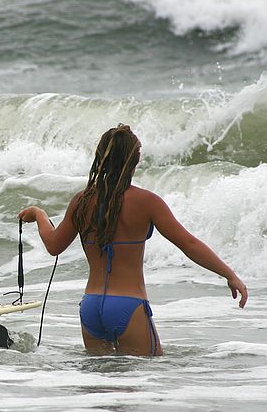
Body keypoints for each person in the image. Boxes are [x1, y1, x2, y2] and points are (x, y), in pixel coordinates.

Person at [18, 124, 248, 356]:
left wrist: (40, 214)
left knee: (100, 384)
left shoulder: (82, 201)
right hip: (128, 304)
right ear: (135, 161)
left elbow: (54, 246)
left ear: (100, 158)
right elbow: (189, 245)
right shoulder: (147, 202)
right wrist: (230, 275)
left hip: (91, 306)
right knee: (145, 380)